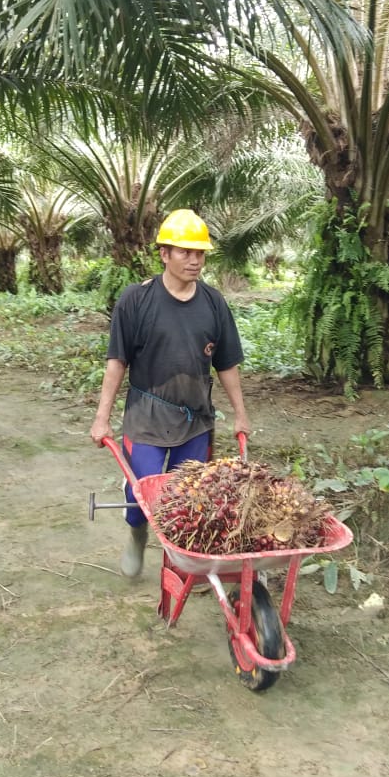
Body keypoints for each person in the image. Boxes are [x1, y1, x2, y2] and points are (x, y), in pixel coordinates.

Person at [90, 209, 252, 577]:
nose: (195, 260)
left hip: (195, 422)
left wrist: (240, 413)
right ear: (164, 254)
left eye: (200, 253)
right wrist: (102, 418)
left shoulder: (213, 303)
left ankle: (180, 565)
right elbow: (117, 362)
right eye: (185, 252)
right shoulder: (136, 300)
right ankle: (136, 534)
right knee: (142, 496)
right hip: (146, 419)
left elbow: (226, 363)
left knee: (189, 498)